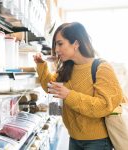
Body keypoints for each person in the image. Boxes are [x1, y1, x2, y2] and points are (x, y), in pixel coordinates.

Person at [33, 22, 123, 150]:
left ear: (76, 44)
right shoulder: (67, 68)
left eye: (60, 43)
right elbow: (50, 87)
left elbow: (104, 106)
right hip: (74, 139)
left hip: (97, 142)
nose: (57, 49)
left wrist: (69, 95)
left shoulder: (102, 68)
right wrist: (41, 64)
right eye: (55, 45)